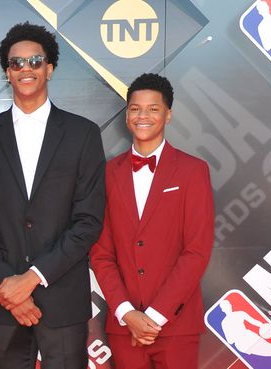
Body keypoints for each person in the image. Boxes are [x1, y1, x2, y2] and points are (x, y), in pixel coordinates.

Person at [0, 22, 105, 369]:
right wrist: (7, 287)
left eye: (35, 61)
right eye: (16, 63)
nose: (25, 69)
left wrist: (31, 279)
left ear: (50, 68)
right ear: (7, 72)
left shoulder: (83, 133)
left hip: (63, 298)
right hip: (4, 300)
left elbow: (88, 221)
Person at [90, 73, 214, 369]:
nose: (142, 116)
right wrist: (127, 313)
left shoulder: (193, 171)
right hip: (124, 325)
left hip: (176, 324)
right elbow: (101, 253)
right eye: (135, 108)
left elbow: (196, 251)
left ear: (168, 115)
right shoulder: (108, 174)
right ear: (127, 115)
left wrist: (155, 316)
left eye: (153, 108)